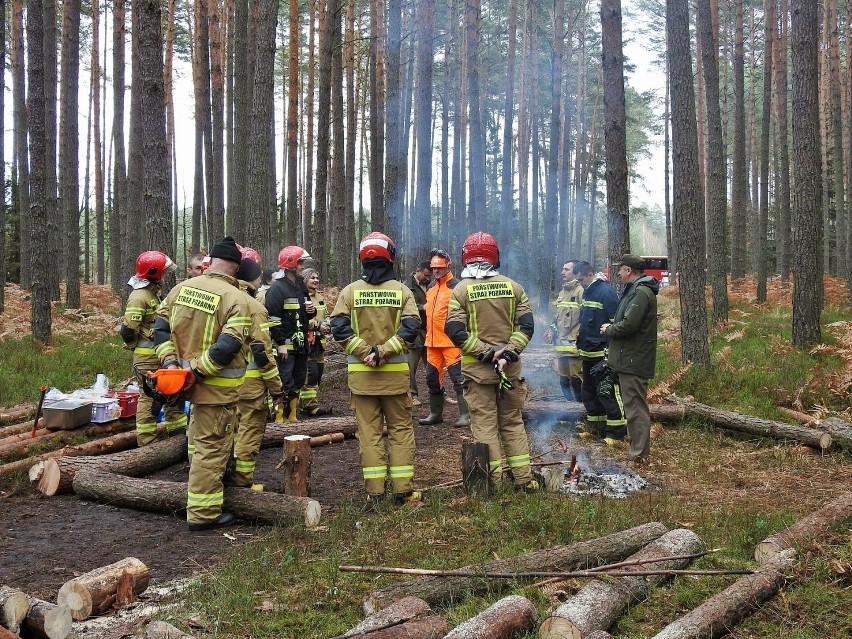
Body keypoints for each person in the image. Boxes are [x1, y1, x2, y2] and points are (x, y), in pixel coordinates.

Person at [153, 236, 251, 531]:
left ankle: (203, 495)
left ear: (211, 263)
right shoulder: (236, 299)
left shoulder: (179, 289)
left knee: (197, 441)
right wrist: (197, 371)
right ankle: (203, 513)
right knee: (212, 447)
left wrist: (172, 365)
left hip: (184, 385)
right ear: (235, 267)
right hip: (216, 390)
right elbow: (228, 345)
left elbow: (159, 329)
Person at [329, 232, 421, 505]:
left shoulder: (349, 292)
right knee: (401, 431)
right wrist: (384, 352)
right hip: (395, 379)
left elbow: (339, 328)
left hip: (362, 379)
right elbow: (411, 328)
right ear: (390, 256)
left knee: (369, 435)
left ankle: (375, 494)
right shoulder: (402, 291)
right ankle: (403, 490)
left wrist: (366, 352)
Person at [445, 232, 537, 491]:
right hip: (510, 372)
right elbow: (526, 327)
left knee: (485, 425)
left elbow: (455, 331)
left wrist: (486, 353)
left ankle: (492, 482)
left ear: (466, 256)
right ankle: (523, 480)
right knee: (512, 422)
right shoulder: (514, 287)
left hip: (478, 373)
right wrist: (508, 353)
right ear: (494, 256)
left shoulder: (461, 290)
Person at [119, 251, 188, 446]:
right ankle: (147, 444)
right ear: (153, 272)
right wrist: (134, 346)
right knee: (149, 399)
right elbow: (128, 329)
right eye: (163, 272)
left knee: (174, 395)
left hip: (162, 356)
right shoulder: (139, 296)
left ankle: (177, 439)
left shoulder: (152, 293)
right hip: (147, 359)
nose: (165, 276)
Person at [232, 249, 284, 490]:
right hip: (250, 385)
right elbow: (262, 352)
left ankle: (220, 477)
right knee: (248, 432)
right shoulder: (253, 307)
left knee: (224, 431)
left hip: (219, 383)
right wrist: (276, 388)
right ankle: (243, 482)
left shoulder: (222, 299)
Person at [600, 254, 659, 464]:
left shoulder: (641, 293)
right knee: (633, 407)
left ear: (628, 271)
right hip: (630, 358)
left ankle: (639, 456)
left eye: (620, 269)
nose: (617, 273)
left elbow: (629, 325)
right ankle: (637, 452)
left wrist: (609, 329)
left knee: (635, 408)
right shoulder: (635, 291)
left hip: (634, 360)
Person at [573, 260, 626, 439]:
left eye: (581, 280)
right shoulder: (588, 293)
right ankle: (595, 428)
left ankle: (616, 434)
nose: (579, 284)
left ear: (590, 274)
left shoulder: (606, 293)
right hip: (588, 354)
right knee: (588, 392)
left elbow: (616, 325)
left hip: (602, 355)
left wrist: (608, 356)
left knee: (607, 392)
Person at [265, 246, 316, 423]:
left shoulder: (300, 286)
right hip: (286, 346)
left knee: (299, 380)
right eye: (300, 263)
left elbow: (305, 312)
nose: (303, 266)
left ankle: (292, 415)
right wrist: (281, 343)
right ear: (291, 264)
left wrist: (311, 311)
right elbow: (273, 318)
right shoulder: (277, 289)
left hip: (301, 344)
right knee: (284, 381)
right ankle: (279, 417)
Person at [419, 249, 469, 427]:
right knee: (432, 378)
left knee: (459, 378)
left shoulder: (457, 286)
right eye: (433, 268)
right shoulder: (431, 287)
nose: (436, 271)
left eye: (439, 268)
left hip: (451, 341)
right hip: (432, 342)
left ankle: (465, 415)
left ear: (448, 266)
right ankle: (435, 413)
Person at [546, 260, 584, 402]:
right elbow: (558, 318)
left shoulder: (581, 291)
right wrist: (551, 330)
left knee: (577, 381)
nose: (562, 272)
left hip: (575, 347)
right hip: (561, 346)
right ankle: (569, 408)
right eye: (563, 269)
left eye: (566, 269)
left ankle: (581, 411)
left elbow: (585, 318)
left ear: (576, 272)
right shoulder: (563, 292)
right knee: (563, 381)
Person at [298, 267, 333, 417]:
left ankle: (309, 402)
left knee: (318, 372)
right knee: (310, 373)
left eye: (317, 278)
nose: (316, 280)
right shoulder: (300, 296)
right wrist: (315, 326)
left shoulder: (319, 297)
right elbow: (298, 319)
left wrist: (328, 325)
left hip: (320, 341)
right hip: (306, 341)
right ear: (305, 279)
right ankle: (308, 406)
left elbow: (326, 315)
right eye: (312, 278)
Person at [405, 261, 432, 405]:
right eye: (426, 275)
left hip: (429, 330)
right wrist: (423, 307)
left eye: (430, 276)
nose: (428, 278)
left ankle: (439, 391)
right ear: (418, 270)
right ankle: (412, 395)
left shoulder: (431, 285)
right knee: (411, 365)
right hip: (414, 331)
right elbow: (407, 306)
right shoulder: (407, 286)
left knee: (433, 364)